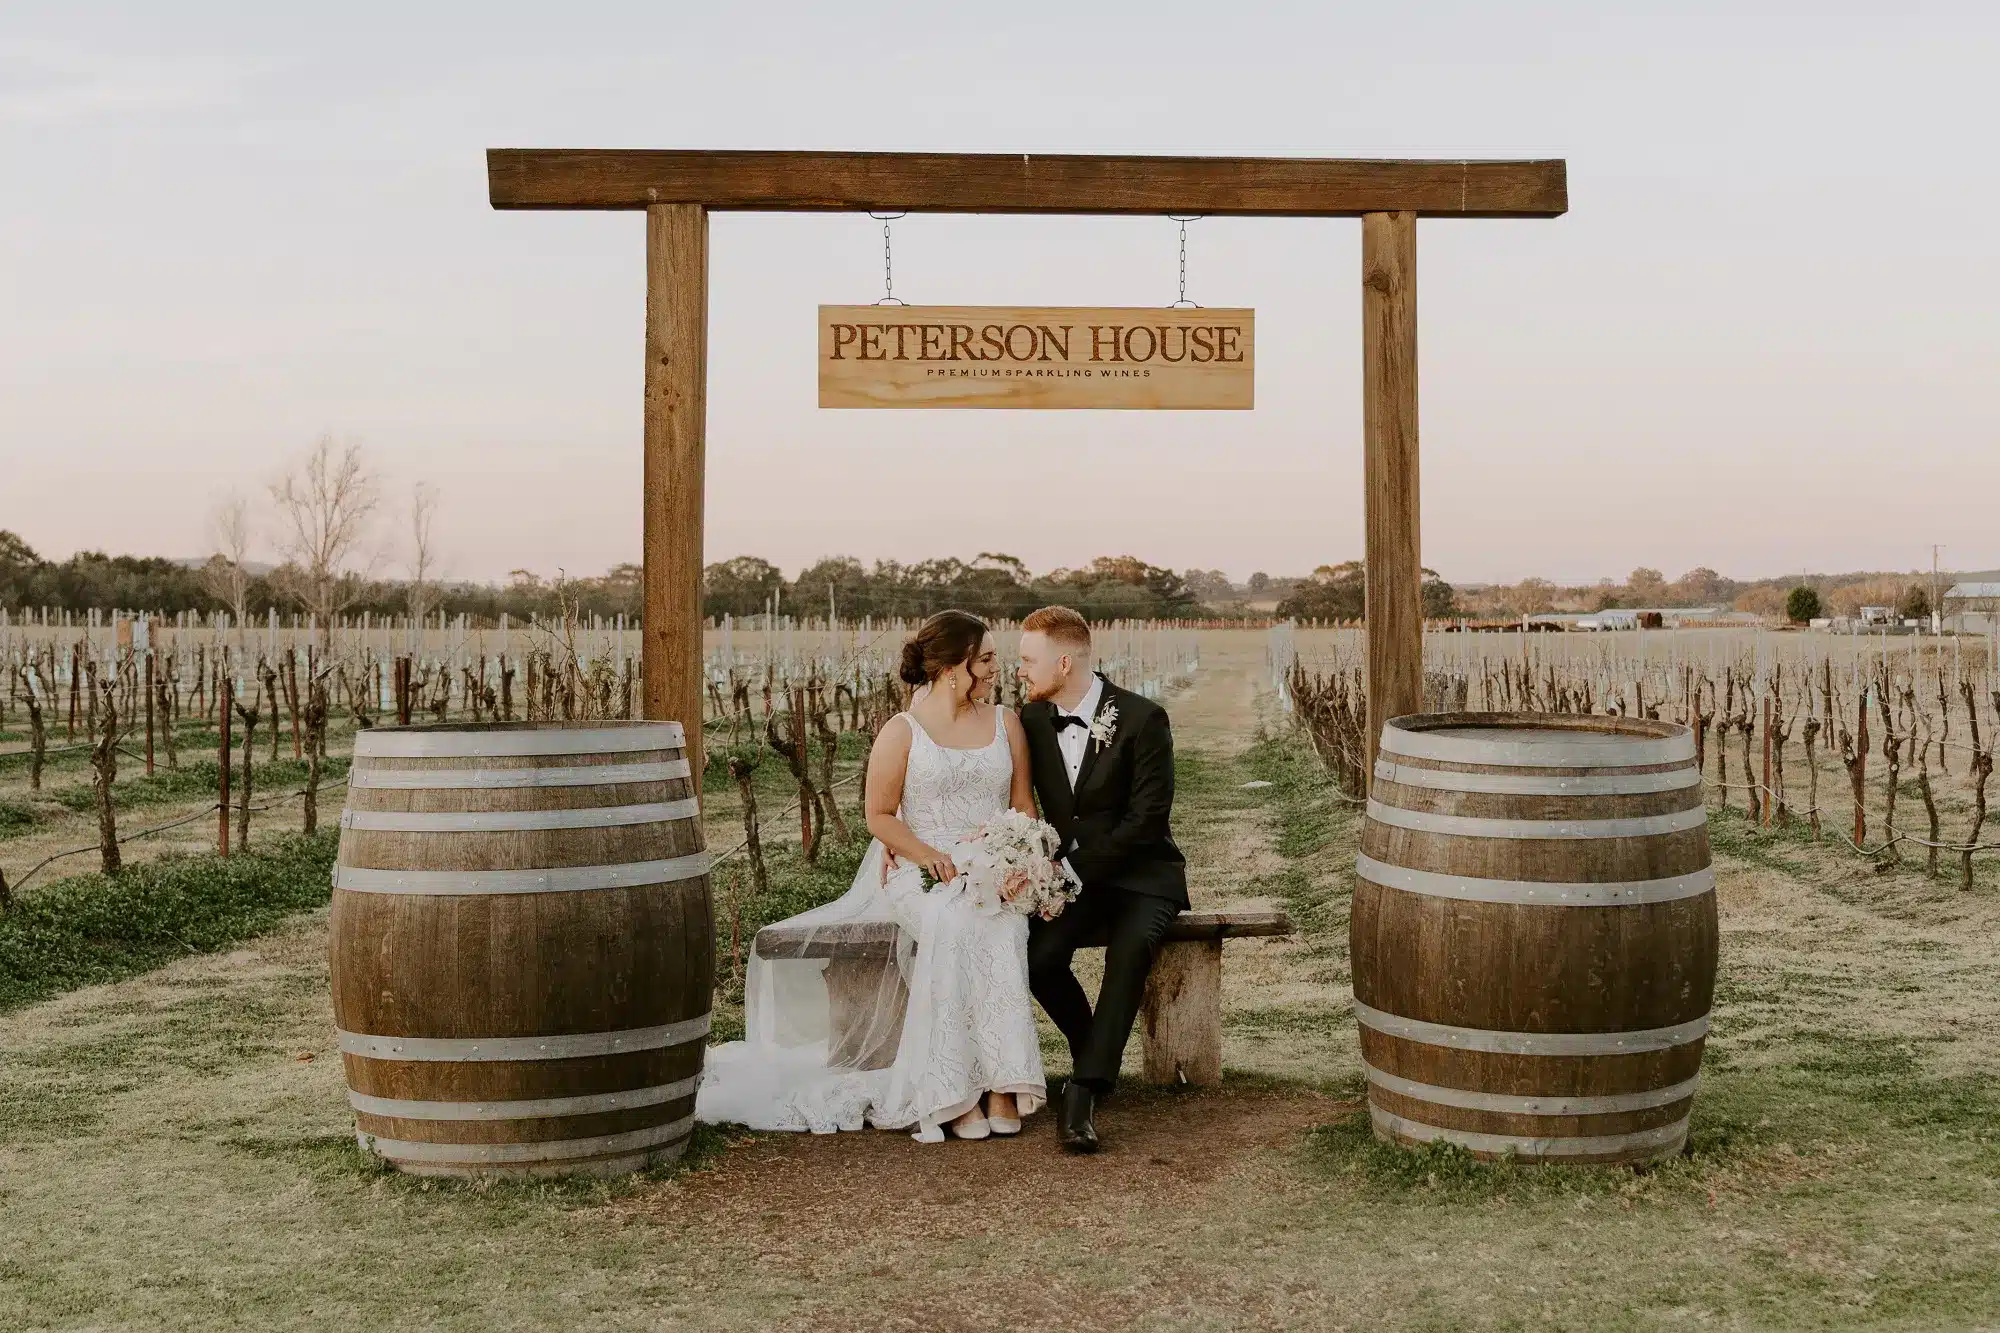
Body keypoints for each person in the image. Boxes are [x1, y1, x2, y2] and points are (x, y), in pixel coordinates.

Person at [696, 610, 1047, 1142]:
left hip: (992, 866)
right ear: (955, 666)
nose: (998, 668)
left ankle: (1002, 1082)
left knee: (1001, 925)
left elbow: (1022, 804)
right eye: (988, 658)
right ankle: (952, 1089)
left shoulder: (1006, 723)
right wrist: (926, 854)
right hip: (917, 866)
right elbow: (879, 815)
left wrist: (1016, 857)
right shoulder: (901, 731)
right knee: (950, 925)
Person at [1016, 605, 1187, 1153]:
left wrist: (1067, 870)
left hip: (1144, 875)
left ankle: (1084, 1091)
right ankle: (1094, 1047)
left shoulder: (1142, 718)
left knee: (1131, 950)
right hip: (1076, 880)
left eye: (1028, 661)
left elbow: (1147, 822)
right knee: (1037, 958)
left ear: (1063, 663)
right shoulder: (1031, 721)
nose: (1021, 671)